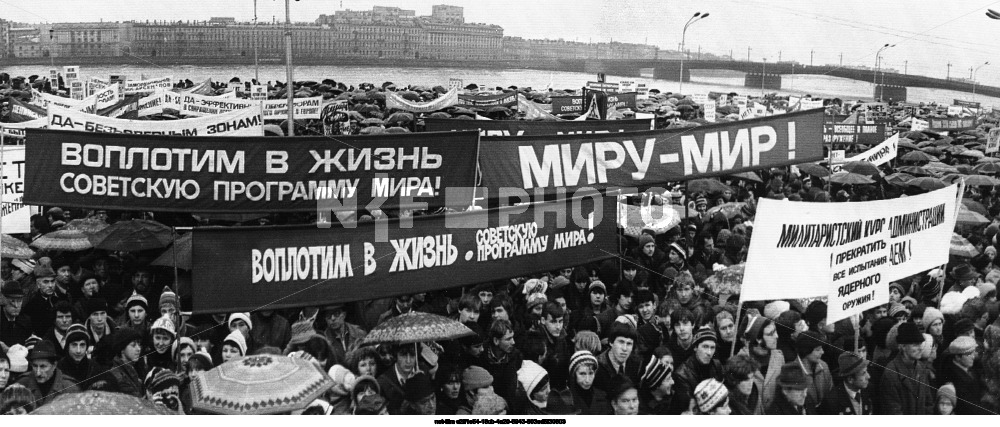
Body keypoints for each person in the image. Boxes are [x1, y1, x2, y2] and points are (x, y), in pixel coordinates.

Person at [878, 322, 935, 415]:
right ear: (902, 346)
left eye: (921, 344)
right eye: (915, 344)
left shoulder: (921, 368)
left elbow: (928, 403)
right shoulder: (891, 373)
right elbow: (893, 411)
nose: (920, 348)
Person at [674, 326, 723, 412]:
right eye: (705, 347)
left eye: (712, 348)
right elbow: (690, 408)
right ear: (695, 347)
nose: (709, 352)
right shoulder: (682, 374)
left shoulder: (717, 365)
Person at [14, 341, 79, 405]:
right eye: (35, 366)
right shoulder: (21, 386)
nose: (38, 373)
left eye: (43, 366)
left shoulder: (70, 388)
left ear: (54, 365)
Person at [939, 336, 984, 414]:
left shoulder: (969, 368)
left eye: (973, 353)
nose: (973, 357)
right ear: (957, 357)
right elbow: (968, 407)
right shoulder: (952, 377)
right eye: (969, 354)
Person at [481, 319, 522, 405]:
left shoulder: (515, 355)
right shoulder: (481, 355)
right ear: (496, 341)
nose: (513, 342)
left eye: (513, 337)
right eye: (508, 339)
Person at [22, 264, 69, 336]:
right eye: (46, 282)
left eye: (52, 281)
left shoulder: (62, 298)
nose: (50, 285)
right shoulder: (32, 305)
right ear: (38, 284)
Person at [595, 323, 641, 392]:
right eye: (621, 342)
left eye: (629, 344)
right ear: (611, 342)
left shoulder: (637, 365)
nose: (624, 348)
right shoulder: (596, 367)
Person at [794, 330, 833, 408]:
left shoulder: (823, 366)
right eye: (818, 349)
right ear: (806, 351)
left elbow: (831, 393)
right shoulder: (793, 373)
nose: (822, 352)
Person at [56, 324, 100, 390]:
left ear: (86, 347)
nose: (78, 351)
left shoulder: (95, 368)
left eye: (82, 345)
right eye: (74, 345)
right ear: (68, 347)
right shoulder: (58, 369)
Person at [377, 343, 419, 414]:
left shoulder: (424, 372)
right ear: (395, 355)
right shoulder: (382, 382)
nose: (408, 361)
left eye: (412, 355)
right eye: (403, 355)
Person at [637, 347, 680, 414]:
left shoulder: (675, 396)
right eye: (666, 363)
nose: (670, 367)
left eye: (671, 363)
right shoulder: (642, 406)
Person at [1, 282, 32, 347]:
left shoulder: (26, 321)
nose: (16, 305)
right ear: (3, 300)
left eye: (19, 301)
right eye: (12, 301)